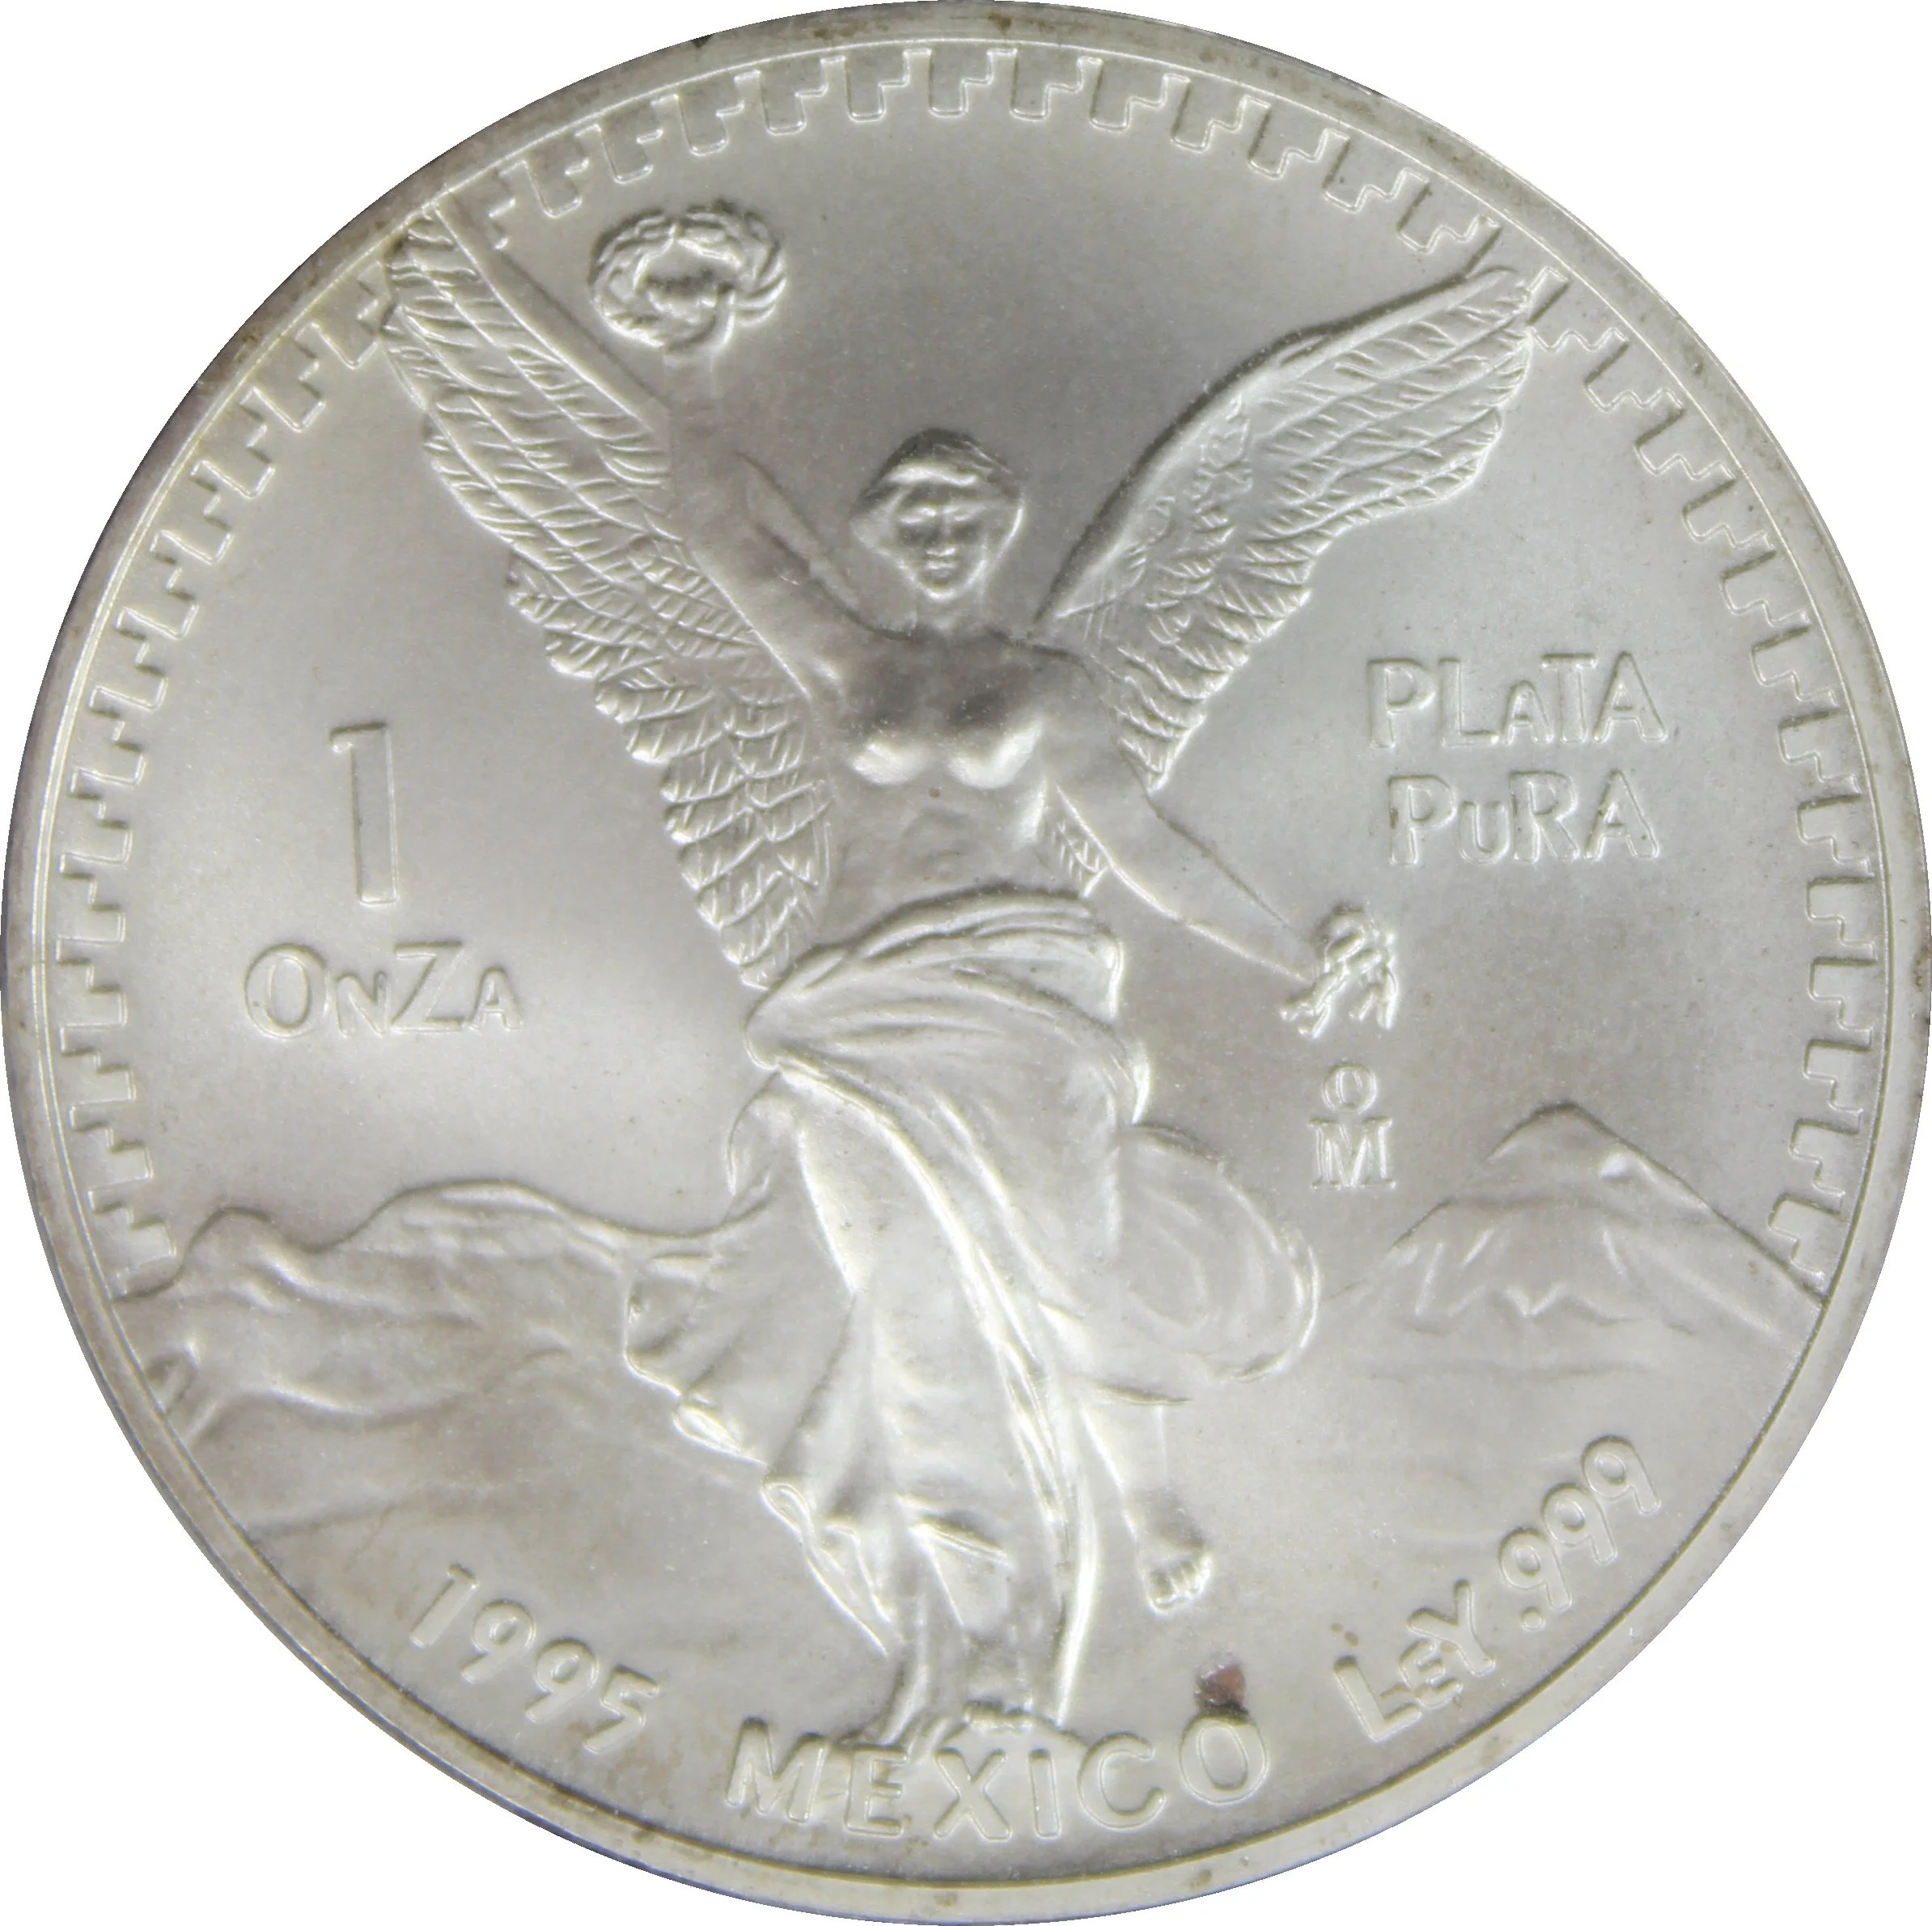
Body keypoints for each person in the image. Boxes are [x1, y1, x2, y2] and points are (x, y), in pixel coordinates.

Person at [618, 407, 1322, 1742]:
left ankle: (1145, 1500)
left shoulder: (1046, 687)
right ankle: (974, 1648)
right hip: (864, 1016)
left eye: (962, 514)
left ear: (1001, 528)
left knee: (1066, 1270)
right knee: (911, 1320)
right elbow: (718, 528)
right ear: (883, 535)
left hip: (1019, 1008)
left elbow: (1143, 849)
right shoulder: (844, 660)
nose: (940, 534)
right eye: (915, 515)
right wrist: (690, 388)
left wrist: (1288, 951)